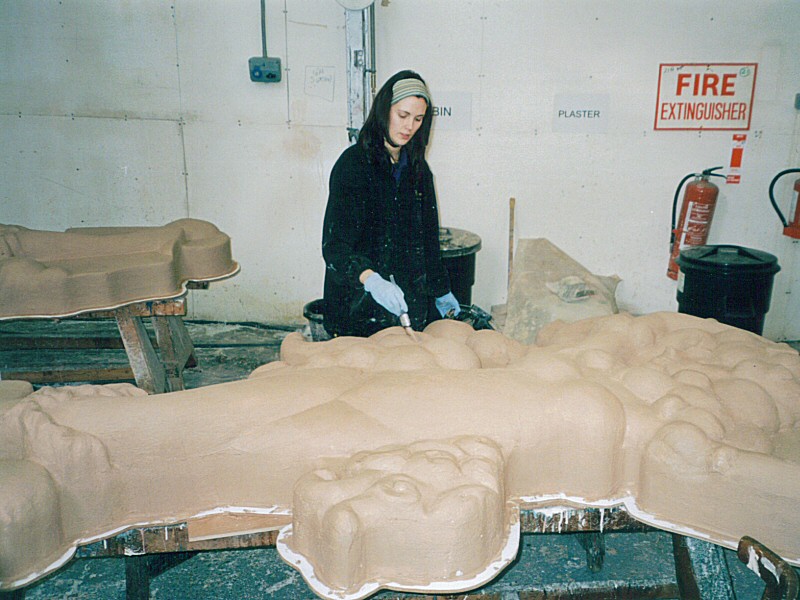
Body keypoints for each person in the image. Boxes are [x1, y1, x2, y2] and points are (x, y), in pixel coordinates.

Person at [321, 70, 460, 338]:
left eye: (418, 119)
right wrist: (371, 280)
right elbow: (335, 248)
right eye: (403, 115)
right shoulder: (353, 166)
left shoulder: (418, 171)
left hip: (406, 309)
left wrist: (441, 291)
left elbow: (428, 242)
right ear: (385, 110)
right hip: (356, 308)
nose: (409, 127)